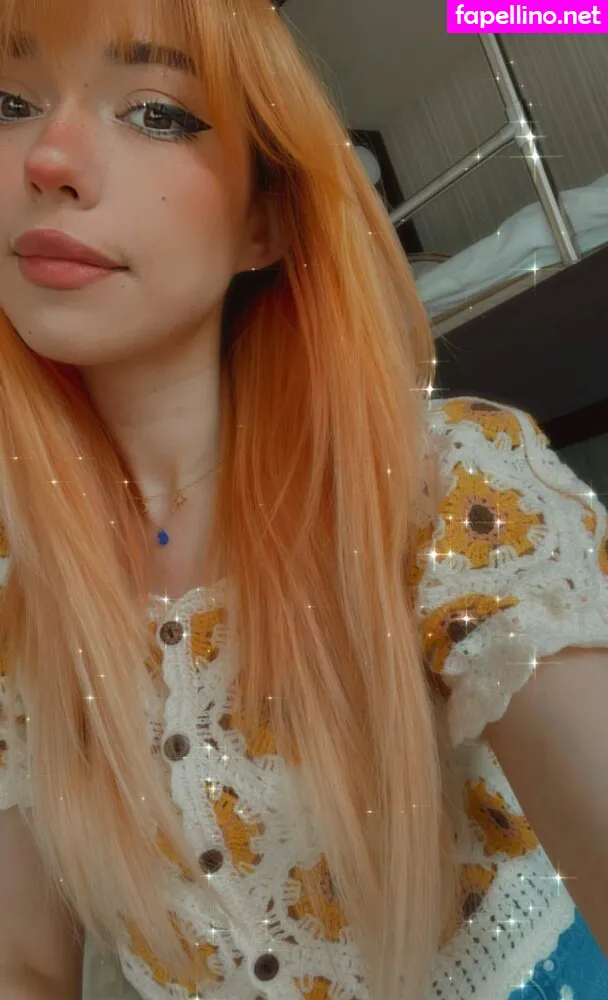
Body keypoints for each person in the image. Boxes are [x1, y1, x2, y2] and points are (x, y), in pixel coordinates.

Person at [0, 2, 606, 999]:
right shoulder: (20, 615)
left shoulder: (449, 485)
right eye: (9, 103)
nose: (47, 158)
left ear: (265, 221)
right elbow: (23, 959)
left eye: (156, 112)